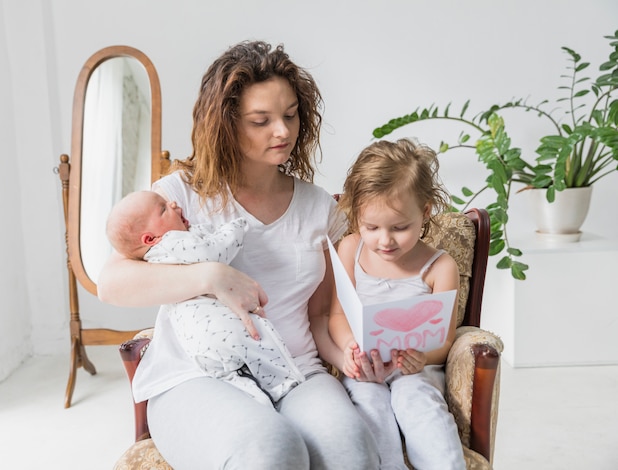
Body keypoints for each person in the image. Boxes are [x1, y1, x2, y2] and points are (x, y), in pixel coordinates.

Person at [97, 41, 379, 469]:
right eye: (260, 121)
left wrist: (351, 358)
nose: (282, 132)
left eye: (290, 115)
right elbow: (111, 283)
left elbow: (323, 317)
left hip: (296, 371)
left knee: (351, 448)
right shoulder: (178, 196)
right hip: (197, 376)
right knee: (271, 448)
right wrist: (211, 276)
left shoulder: (319, 208)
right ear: (226, 124)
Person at [326, 138, 465, 469]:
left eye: (400, 228)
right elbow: (335, 315)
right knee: (368, 405)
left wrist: (420, 358)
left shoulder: (441, 268)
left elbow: (445, 341)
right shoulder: (350, 249)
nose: (384, 240)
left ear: (426, 211)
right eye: (371, 227)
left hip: (415, 371)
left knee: (416, 401)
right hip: (365, 368)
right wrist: (350, 347)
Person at [105, 190, 306, 406]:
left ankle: (257, 397)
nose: (173, 203)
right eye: (163, 208)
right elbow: (212, 251)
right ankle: (284, 384)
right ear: (150, 238)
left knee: (233, 376)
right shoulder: (171, 242)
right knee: (261, 345)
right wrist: (235, 228)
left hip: (200, 341)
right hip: (217, 329)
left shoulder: (161, 251)